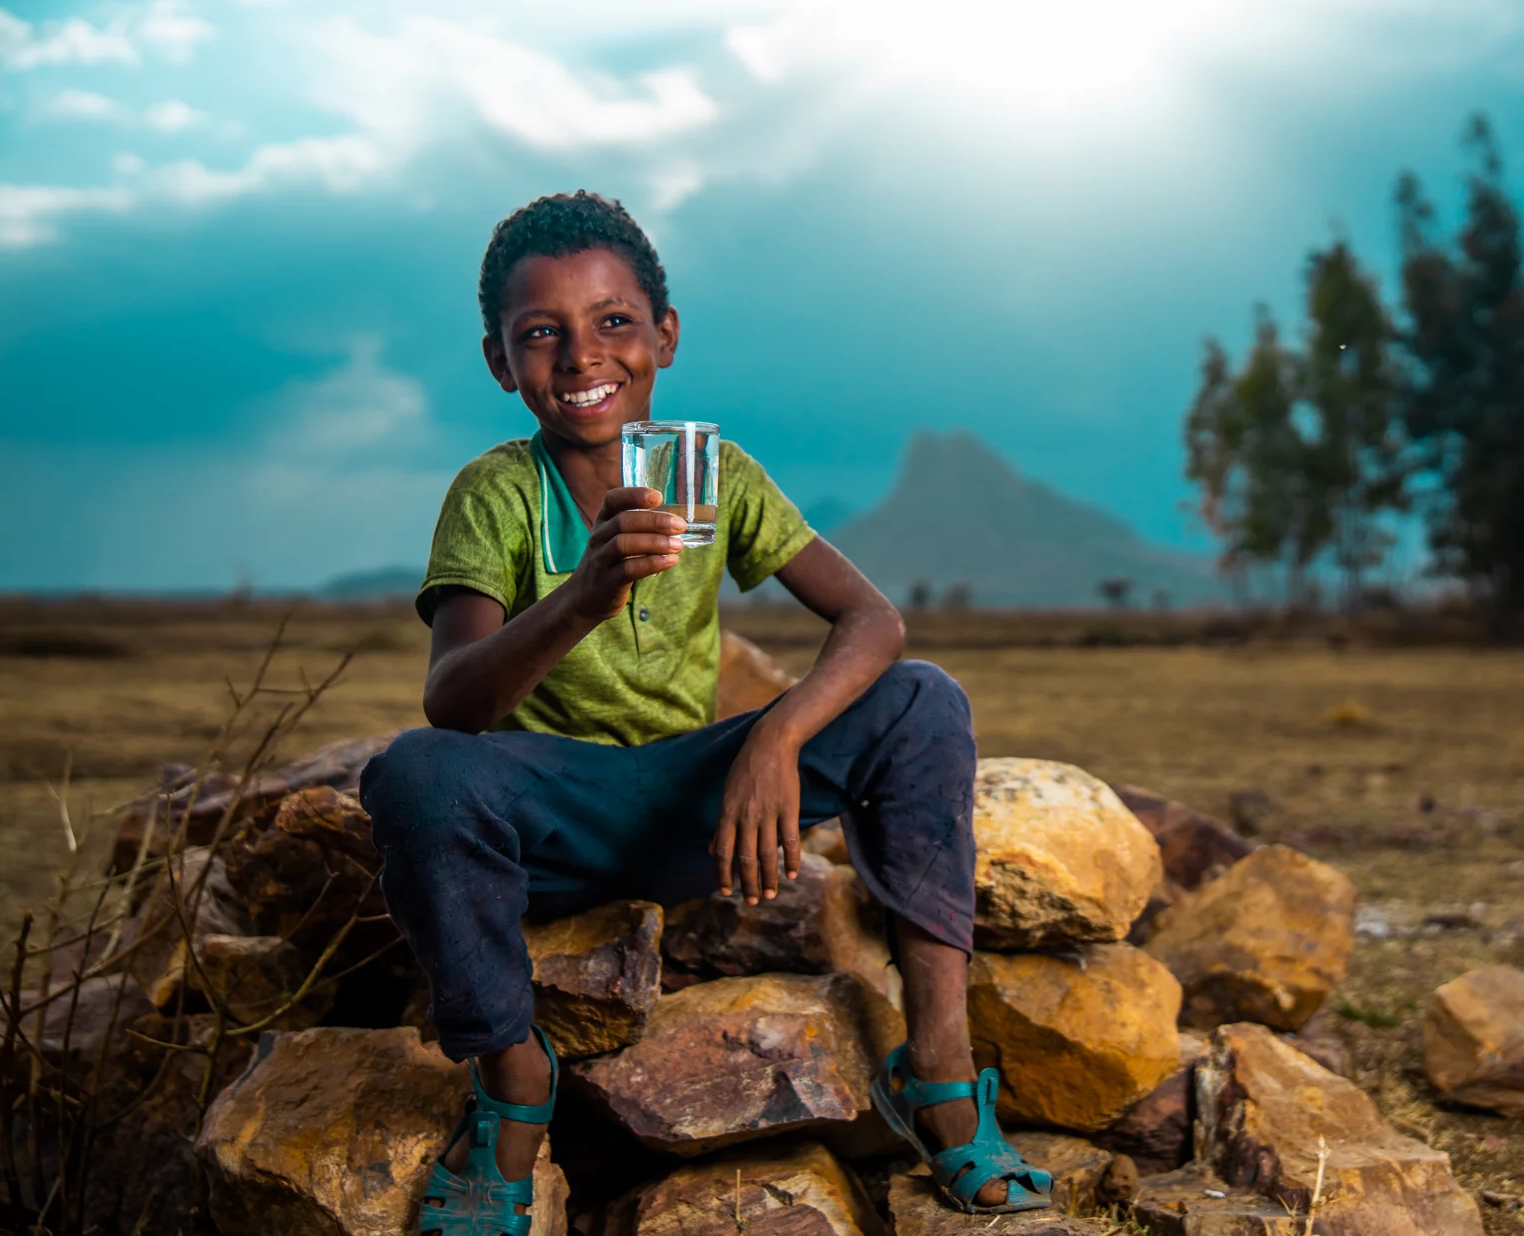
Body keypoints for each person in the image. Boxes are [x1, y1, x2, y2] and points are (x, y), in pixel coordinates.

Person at [360, 190, 1049, 1235]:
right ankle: (512, 1077)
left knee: (922, 702)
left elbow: (871, 618)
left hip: (702, 804)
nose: (581, 354)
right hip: (558, 812)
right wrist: (583, 596)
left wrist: (773, 732)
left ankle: (941, 1066)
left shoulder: (712, 474)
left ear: (664, 336)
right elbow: (453, 699)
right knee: (414, 769)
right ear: (502, 361)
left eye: (614, 321)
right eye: (540, 333)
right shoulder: (493, 491)